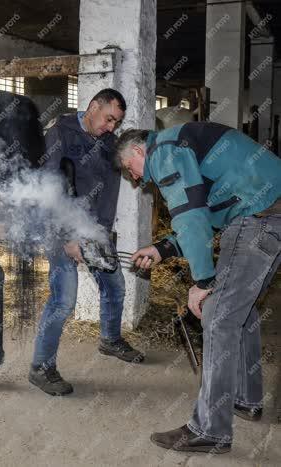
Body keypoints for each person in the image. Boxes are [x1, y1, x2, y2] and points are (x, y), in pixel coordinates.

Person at [116, 122, 281, 454]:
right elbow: (204, 213)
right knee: (241, 313)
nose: (136, 178)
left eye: (129, 169)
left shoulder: (163, 152)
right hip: (271, 213)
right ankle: (245, 399)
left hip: (256, 219)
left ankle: (210, 430)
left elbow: (191, 218)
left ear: (138, 151)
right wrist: (161, 249)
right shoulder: (183, 144)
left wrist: (203, 283)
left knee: (217, 318)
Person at [29, 89, 145, 397]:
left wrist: (101, 233)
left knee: (115, 286)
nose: (111, 127)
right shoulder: (60, 134)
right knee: (64, 299)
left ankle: (110, 339)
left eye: (116, 122)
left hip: (94, 230)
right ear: (93, 107)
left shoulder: (108, 142)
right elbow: (49, 190)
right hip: (61, 231)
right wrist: (68, 239)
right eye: (109, 119)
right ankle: (41, 367)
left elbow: (109, 191)